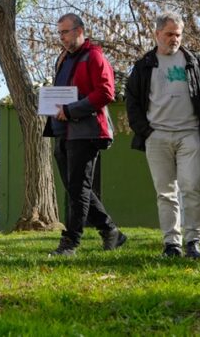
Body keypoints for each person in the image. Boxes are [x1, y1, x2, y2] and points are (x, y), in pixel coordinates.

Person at [125, 11, 200, 259]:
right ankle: (171, 244)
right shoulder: (143, 65)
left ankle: (193, 241)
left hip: (190, 134)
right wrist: (146, 132)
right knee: (165, 192)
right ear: (157, 34)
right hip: (157, 136)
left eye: (178, 34)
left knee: (192, 188)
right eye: (169, 34)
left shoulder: (195, 62)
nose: (174, 39)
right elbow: (132, 101)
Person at [43, 13, 126, 255]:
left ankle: (70, 242)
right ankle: (110, 231)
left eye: (65, 32)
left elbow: (106, 92)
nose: (61, 37)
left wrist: (72, 110)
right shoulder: (62, 58)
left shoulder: (94, 56)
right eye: (59, 33)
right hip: (62, 132)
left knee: (78, 189)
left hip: (85, 131)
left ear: (79, 31)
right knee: (76, 188)